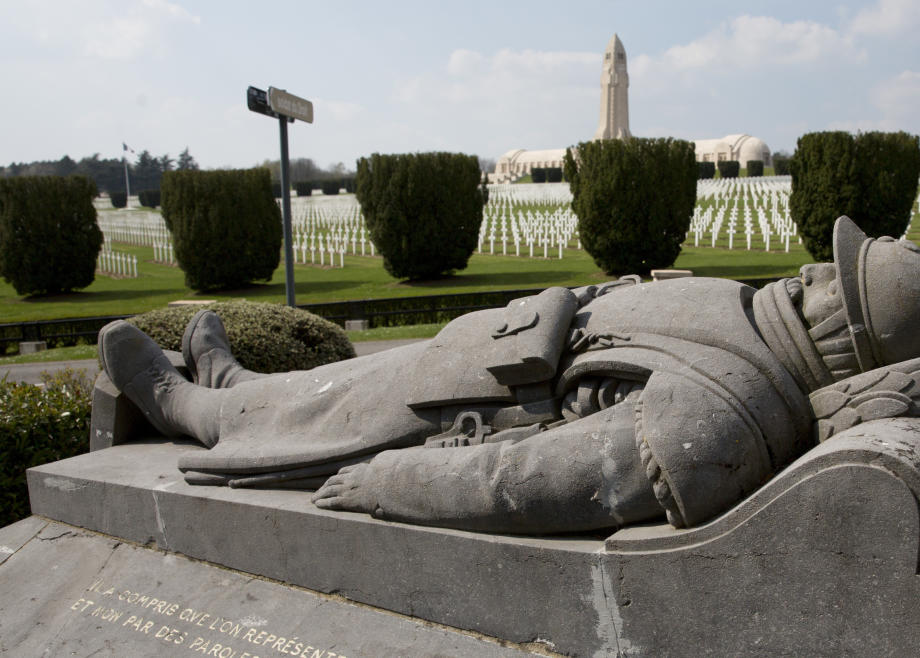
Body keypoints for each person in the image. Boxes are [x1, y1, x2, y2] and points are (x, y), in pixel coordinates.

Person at [98, 217, 920, 534]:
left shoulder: (731, 406)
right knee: (326, 394)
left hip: (466, 414)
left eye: (829, 279)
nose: (812, 270)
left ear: (842, 329)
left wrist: (398, 480)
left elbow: (548, 477)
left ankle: (195, 408)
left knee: (329, 417)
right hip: (481, 352)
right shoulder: (751, 312)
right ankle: (238, 388)